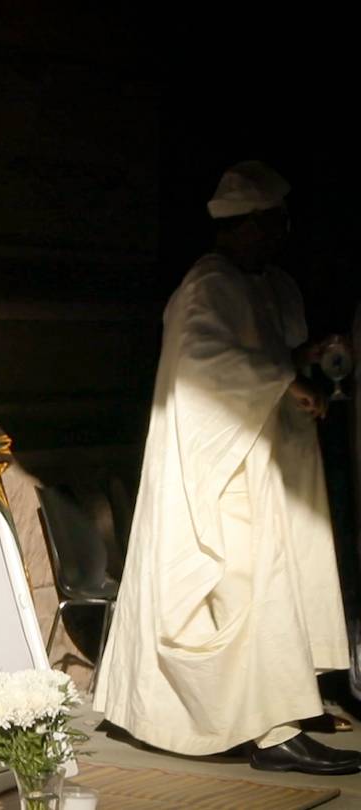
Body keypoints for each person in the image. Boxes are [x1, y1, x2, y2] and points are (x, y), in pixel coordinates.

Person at [94, 160, 357, 774]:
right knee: (242, 583)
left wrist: (301, 359)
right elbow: (202, 365)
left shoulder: (269, 283)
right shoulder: (205, 284)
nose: (277, 237)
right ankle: (272, 732)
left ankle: (286, 703)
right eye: (268, 226)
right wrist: (283, 377)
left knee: (276, 580)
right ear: (243, 226)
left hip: (265, 458)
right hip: (215, 463)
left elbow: (264, 352)